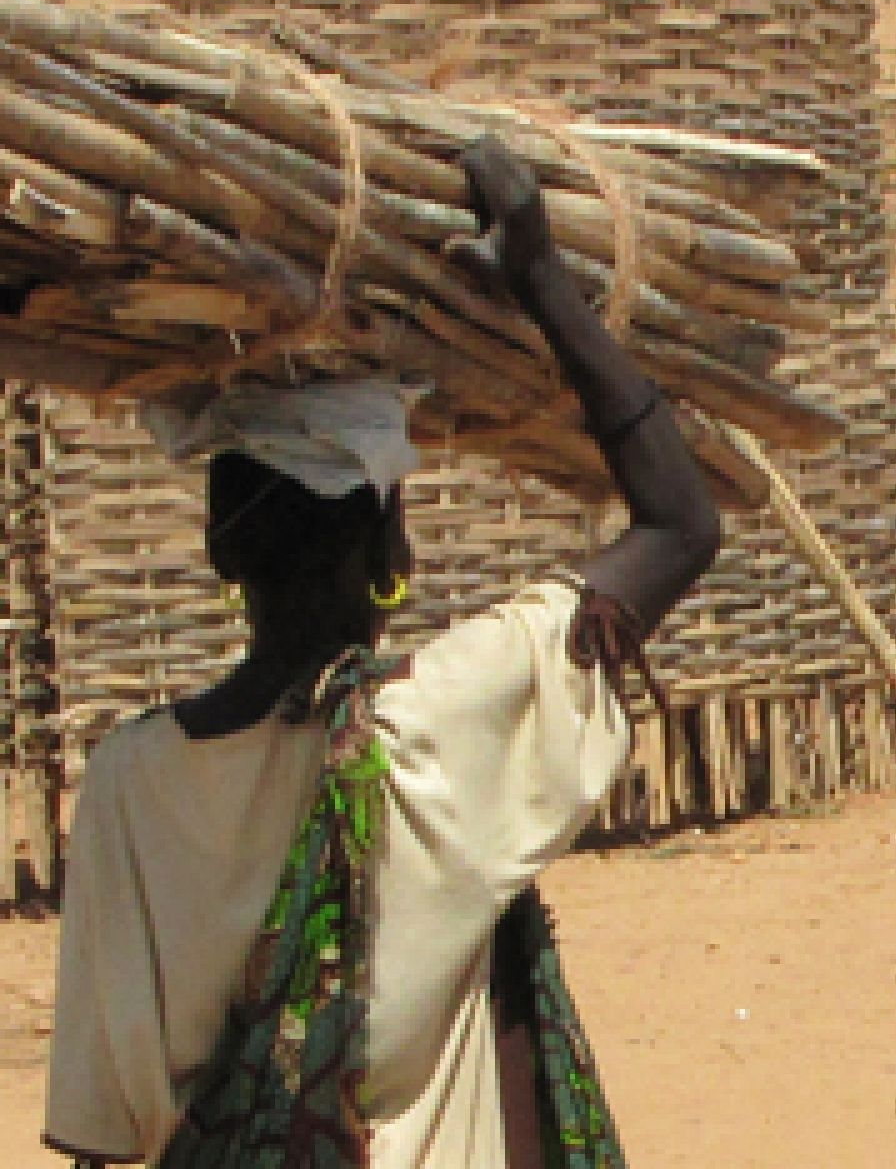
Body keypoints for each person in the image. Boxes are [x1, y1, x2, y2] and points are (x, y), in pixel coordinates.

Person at [42, 135, 721, 1167]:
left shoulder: (127, 787)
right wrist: (543, 278)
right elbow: (679, 525)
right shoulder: (431, 730)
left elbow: (96, 1137)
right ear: (389, 543)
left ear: (223, 550)